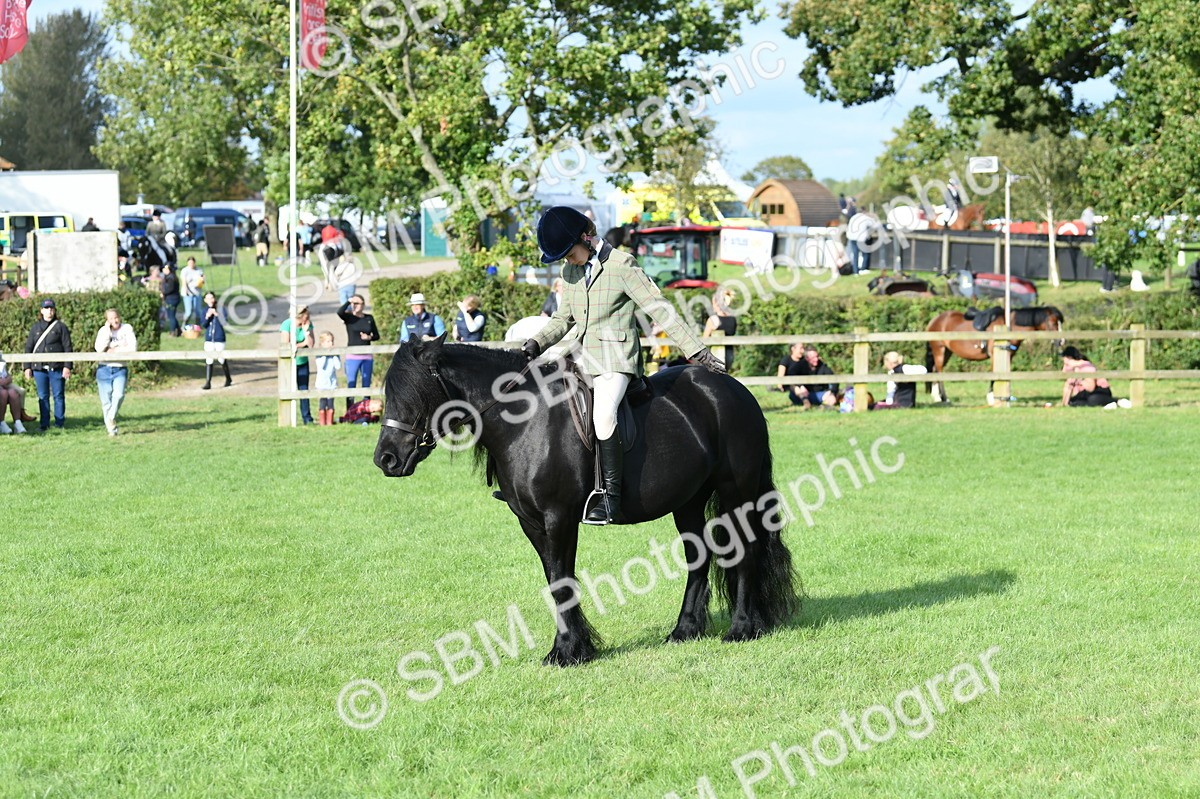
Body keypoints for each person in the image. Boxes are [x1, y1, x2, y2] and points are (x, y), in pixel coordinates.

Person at [523, 205, 725, 525]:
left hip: (616, 359)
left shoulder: (622, 265)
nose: (568, 261)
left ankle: (610, 497)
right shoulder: (570, 271)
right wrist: (536, 342)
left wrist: (696, 351)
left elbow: (659, 309)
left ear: (585, 238)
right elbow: (564, 318)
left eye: (570, 254)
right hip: (580, 356)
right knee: (545, 403)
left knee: (603, 416)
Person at [24, 299, 73, 430]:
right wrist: (27, 367)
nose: (49, 311)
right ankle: (44, 424)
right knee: (43, 396)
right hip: (39, 368)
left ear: (54, 311)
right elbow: (28, 348)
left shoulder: (61, 327)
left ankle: (59, 424)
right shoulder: (35, 327)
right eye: (46, 308)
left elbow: (68, 347)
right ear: (41, 311)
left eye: (51, 308)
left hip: (56, 367)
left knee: (58, 396)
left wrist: (67, 366)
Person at [94, 308, 137, 435]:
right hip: (104, 368)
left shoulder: (127, 329)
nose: (115, 320)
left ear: (120, 317)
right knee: (106, 401)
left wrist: (115, 350)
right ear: (107, 320)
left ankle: (111, 417)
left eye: (116, 317)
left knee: (119, 395)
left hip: (120, 368)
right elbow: (99, 349)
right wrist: (107, 331)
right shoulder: (103, 331)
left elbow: (132, 348)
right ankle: (111, 430)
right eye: (111, 318)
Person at [337, 294, 380, 410]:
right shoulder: (349, 317)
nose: (355, 305)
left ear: (363, 305)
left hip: (367, 356)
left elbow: (377, 335)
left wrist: (369, 337)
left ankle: (366, 410)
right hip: (352, 356)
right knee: (351, 383)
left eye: (357, 303)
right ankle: (350, 411)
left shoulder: (369, 318)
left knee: (366, 384)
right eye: (353, 303)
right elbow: (339, 312)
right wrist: (348, 301)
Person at [1061, 346, 1129, 408]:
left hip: (1099, 390)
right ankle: (1107, 405)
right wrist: (1064, 403)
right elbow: (1068, 387)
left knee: (1093, 399)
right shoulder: (1072, 370)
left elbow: (1091, 387)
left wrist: (1079, 377)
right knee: (1074, 401)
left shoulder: (1086, 366)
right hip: (1086, 393)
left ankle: (1115, 401)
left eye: (1066, 364)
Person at [280, 306, 315, 424]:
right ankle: (287, 417)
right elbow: (286, 344)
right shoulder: (287, 324)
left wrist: (306, 332)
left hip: (303, 362)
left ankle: (307, 418)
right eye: (306, 315)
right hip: (289, 363)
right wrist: (302, 344)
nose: (308, 317)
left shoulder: (308, 325)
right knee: (288, 390)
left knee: (304, 390)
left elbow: (311, 345)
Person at [201, 291, 232, 390]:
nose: (210, 300)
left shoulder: (221, 309)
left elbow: (224, 322)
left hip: (219, 338)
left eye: (211, 298)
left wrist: (217, 314)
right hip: (209, 338)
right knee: (209, 359)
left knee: (221, 358)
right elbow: (204, 324)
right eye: (208, 298)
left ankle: (228, 378)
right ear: (205, 300)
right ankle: (208, 382)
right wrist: (207, 316)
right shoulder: (204, 310)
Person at [702, 289, 737, 372]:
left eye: (713, 303)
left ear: (717, 304)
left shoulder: (713, 320)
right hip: (729, 354)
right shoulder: (733, 319)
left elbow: (704, 340)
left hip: (716, 355)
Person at [315, 331, 341, 426]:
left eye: (332, 341)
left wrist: (334, 355)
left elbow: (338, 366)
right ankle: (322, 422)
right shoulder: (319, 355)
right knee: (322, 403)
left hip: (331, 383)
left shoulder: (335, 354)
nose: (331, 343)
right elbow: (321, 366)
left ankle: (330, 422)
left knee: (330, 403)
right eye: (328, 341)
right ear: (322, 343)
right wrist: (326, 354)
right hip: (322, 384)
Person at [0, 355, 28, 434]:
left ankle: (17, 422)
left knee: (13, 393)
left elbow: (8, 376)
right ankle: (1, 423)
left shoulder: (1, 360)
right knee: (3, 393)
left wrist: (6, 380)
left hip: (4, 384)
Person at [180, 258, 205, 327]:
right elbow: (184, 282)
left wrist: (202, 280)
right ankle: (184, 325)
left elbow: (202, 279)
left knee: (198, 311)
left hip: (197, 293)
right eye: (189, 263)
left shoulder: (199, 270)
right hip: (188, 293)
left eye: (192, 263)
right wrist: (186, 290)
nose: (191, 264)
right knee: (189, 312)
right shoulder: (185, 270)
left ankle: (198, 326)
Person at [160, 264, 181, 337]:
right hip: (171, 298)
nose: (163, 270)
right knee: (172, 315)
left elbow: (170, 289)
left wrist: (163, 293)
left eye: (165, 269)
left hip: (172, 299)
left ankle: (172, 332)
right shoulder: (170, 277)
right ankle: (178, 330)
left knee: (171, 316)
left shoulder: (171, 278)